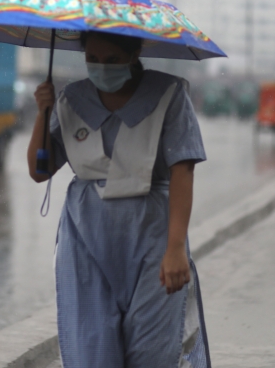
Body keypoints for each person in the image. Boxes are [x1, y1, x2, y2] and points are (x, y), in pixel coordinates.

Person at [27, 31, 211, 368]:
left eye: (111, 60)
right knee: (91, 347)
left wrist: (175, 249)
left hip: (151, 235)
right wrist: (43, 112)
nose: (101, 68)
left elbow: (183, 171)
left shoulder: (168, 95)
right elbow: (40, 170)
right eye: (93, 60)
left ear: (135, 52)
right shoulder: (71, 100)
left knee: (153, 350)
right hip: (85, 236)